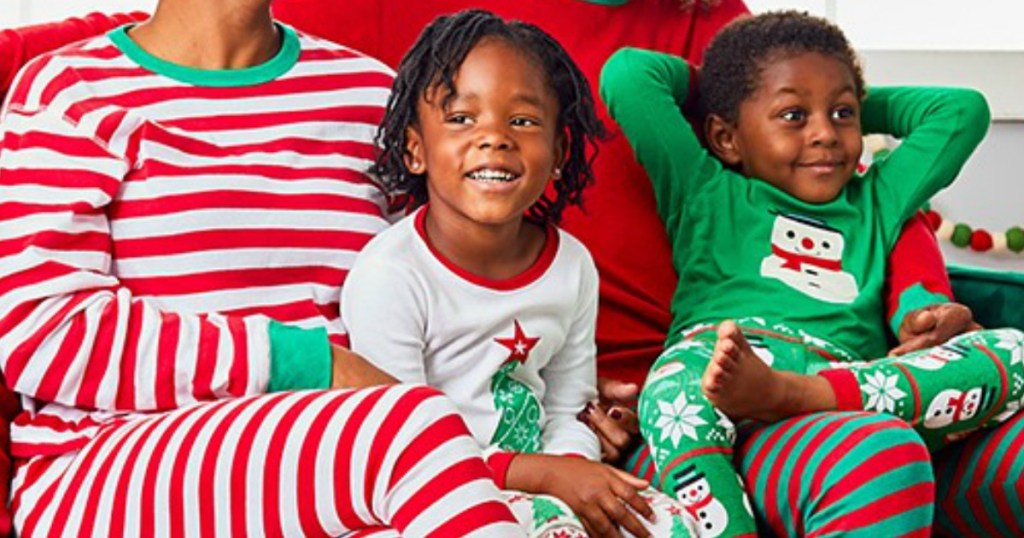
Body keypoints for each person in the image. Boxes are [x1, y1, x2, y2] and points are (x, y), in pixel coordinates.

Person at [0, 0, 529, 536]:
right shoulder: (70, 91)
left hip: (342, 467)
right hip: (105, 466)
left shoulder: (373, 98)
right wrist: (309, 364)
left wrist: (547, 374)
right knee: (408, 428)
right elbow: (43, 334)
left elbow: (440, 291)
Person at [602, 10, 1023, 537]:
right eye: (794, 116)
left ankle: (794, 393)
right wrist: (729, 94)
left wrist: (830, 99)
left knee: (1014, 352)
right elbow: (629, 76)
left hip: (842, 381)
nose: (826, 134)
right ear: (726, 138)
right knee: (672, 396)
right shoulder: (706, 191)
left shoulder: (877, 199)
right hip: (722, 361)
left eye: (843, 113)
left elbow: (962, 112)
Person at [342, 10, 695, 538]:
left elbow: (567, 407)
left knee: (675, 524)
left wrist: (576, 478)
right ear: (416, 149)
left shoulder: (571, 265)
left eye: (523, 121)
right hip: (431, 493)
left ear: (557, 153)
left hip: (545, 486)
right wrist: (545, 477)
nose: (495, 138)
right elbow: (398, 446)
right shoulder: (388, 276)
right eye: (462, 118)